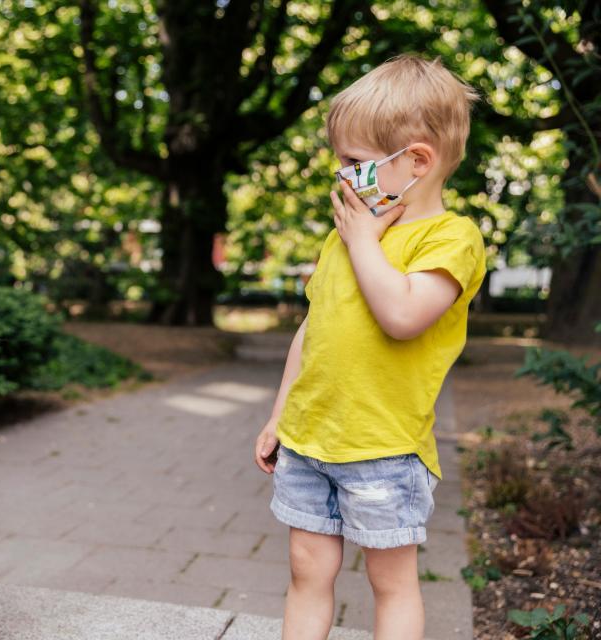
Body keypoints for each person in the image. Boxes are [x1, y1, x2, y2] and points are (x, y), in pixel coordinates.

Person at [253, 55, 486, 640]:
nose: (342, 176)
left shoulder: (451, 238)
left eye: (355, 163)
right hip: (310, 439)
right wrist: (281, 414)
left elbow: (403, 315)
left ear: (417, 160)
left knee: (391, 582)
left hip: (383, 448)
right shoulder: (345, 238)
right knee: (307, 570)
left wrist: (363, 242)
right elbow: (315, 327)